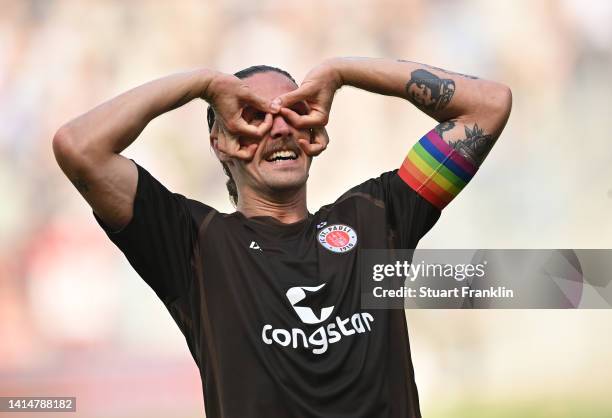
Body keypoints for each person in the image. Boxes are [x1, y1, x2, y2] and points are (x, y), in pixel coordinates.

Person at [52, 57, 512, 418]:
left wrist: (344, 72)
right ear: (221, 142)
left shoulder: (378, 217)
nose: (278, 126)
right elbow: (78, 146)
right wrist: (201, 84)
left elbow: (489, 104)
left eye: (295, 111)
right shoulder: (193, 245)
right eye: (252, 116)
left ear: (315, 129)